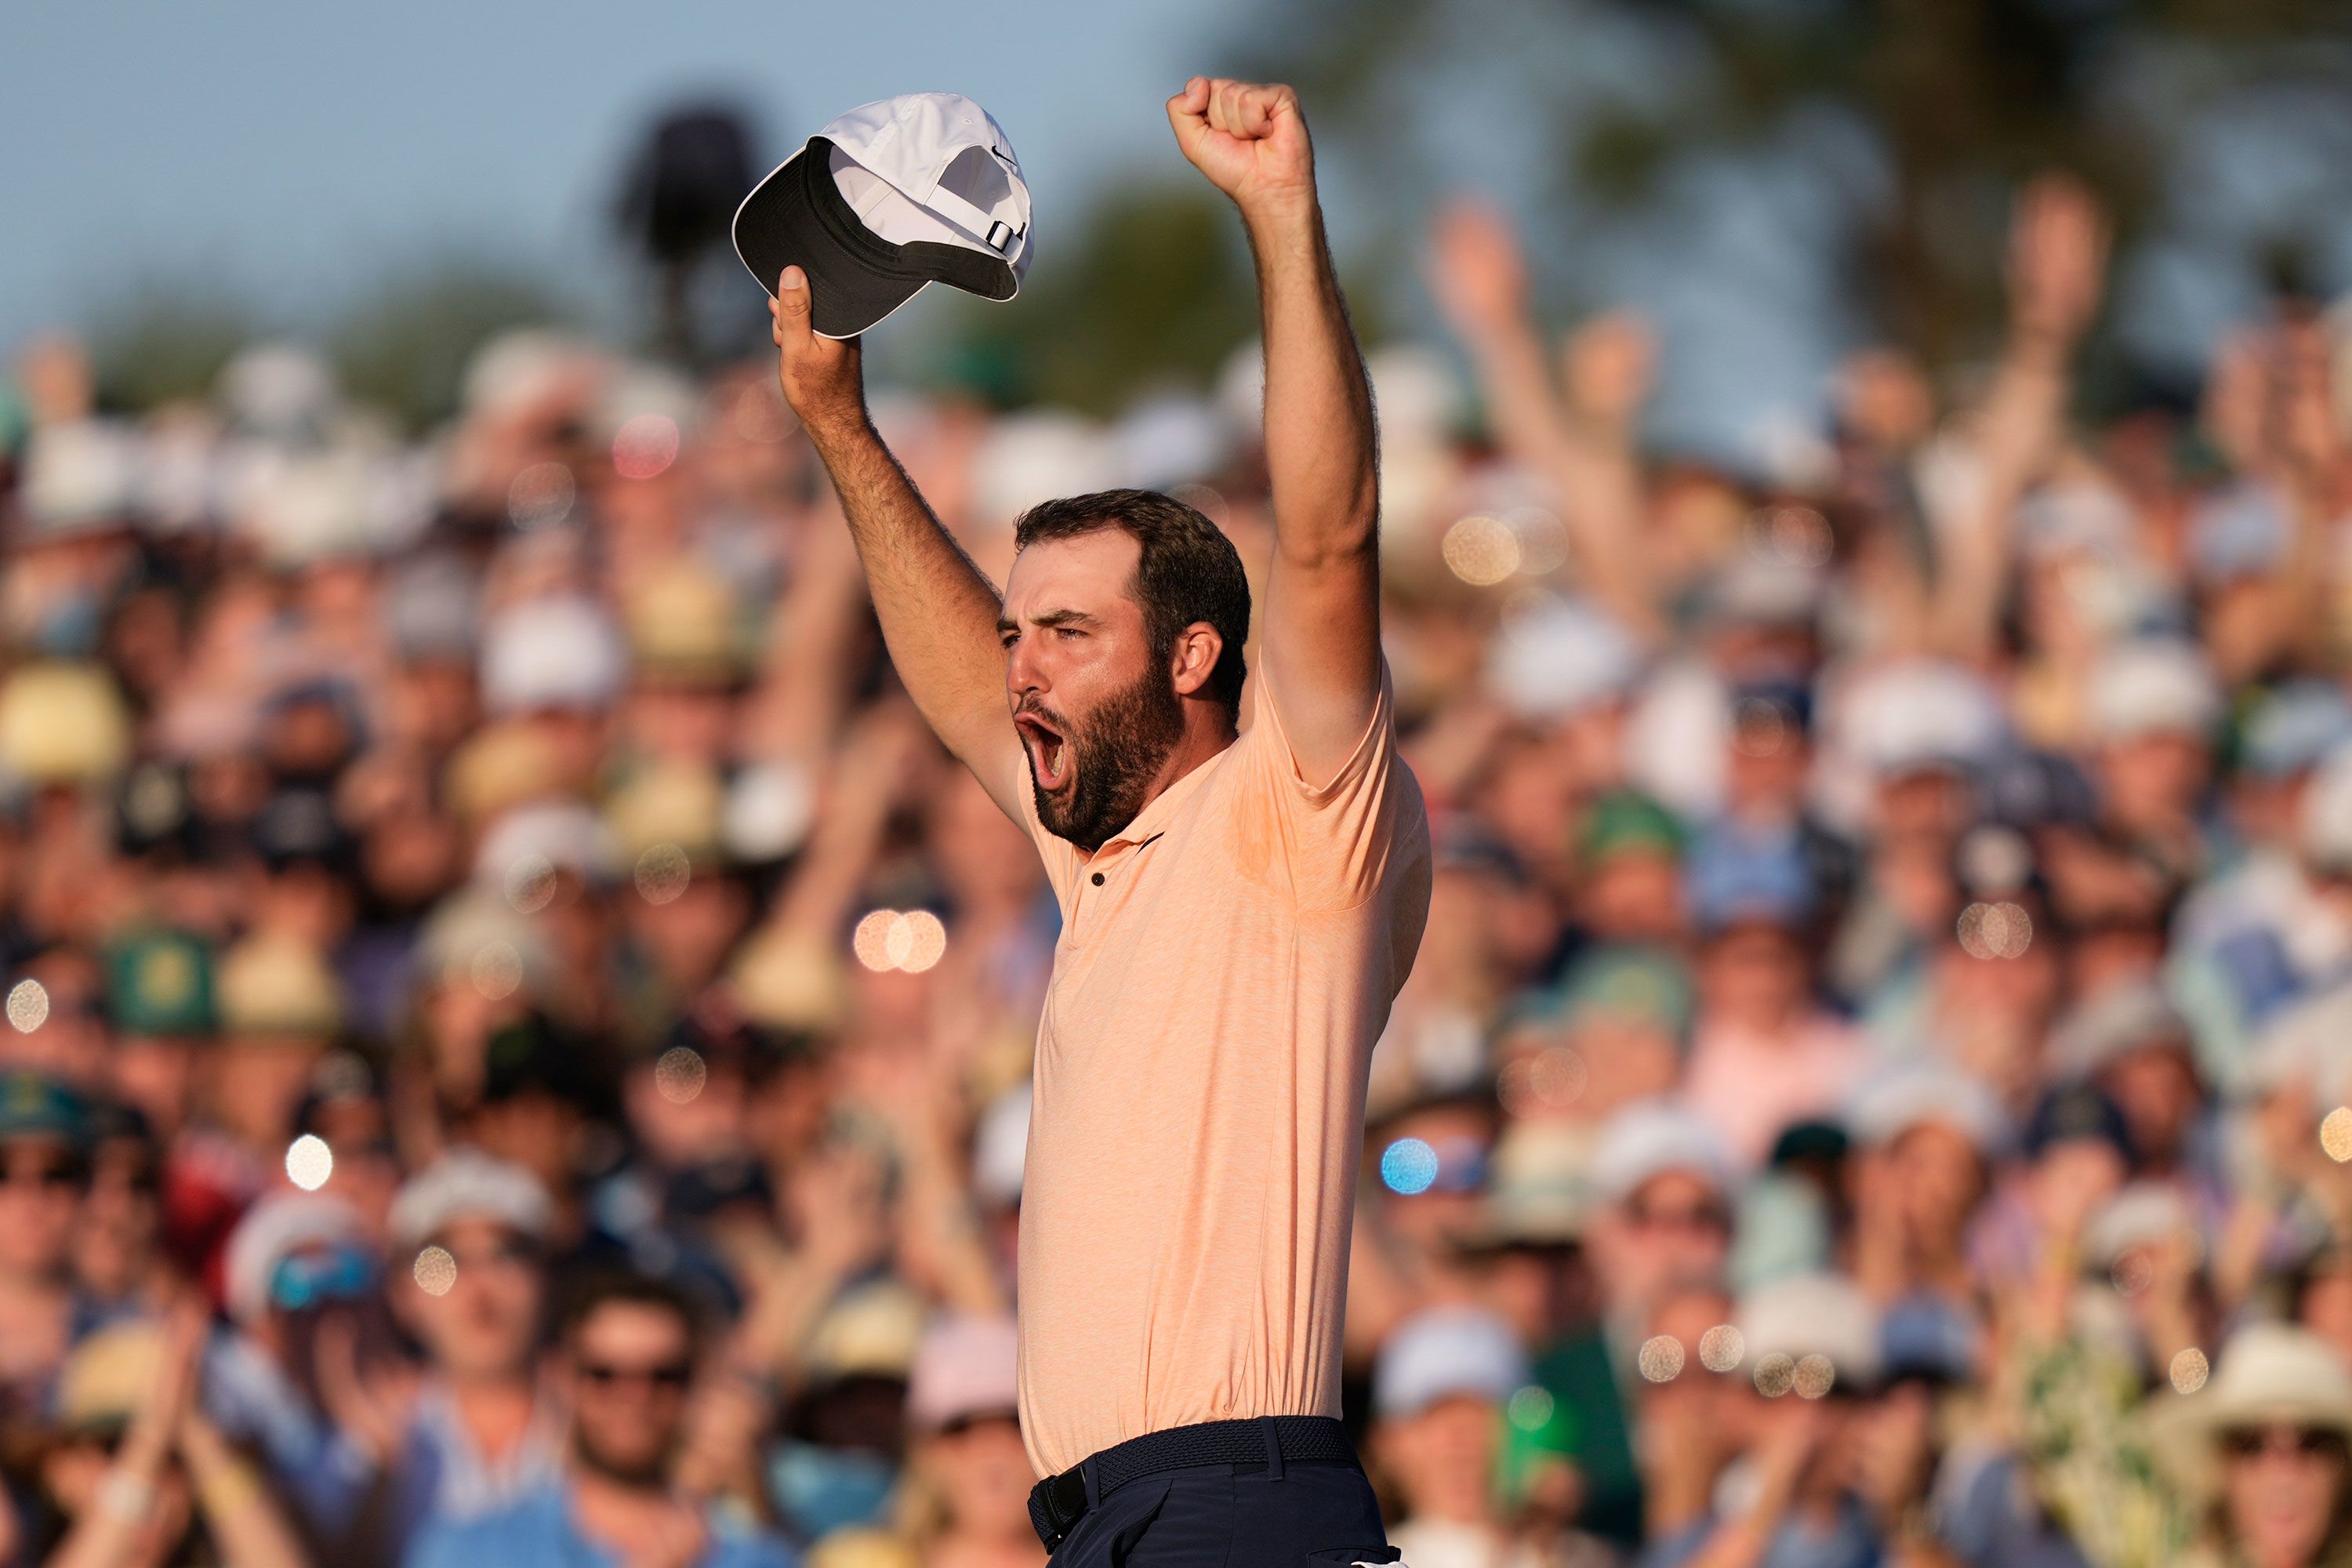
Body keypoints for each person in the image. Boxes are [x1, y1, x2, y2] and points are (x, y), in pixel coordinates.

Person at [768, 76, 1432, 1565]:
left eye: (1069, 633)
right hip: (1112, 1521)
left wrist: (1279, 219)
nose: (1022, 669)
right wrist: (842, 429)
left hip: (1239, 1502)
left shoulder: (1295, 815)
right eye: (1020, 633)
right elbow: (952, 687)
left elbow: (1328, 539)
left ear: (1194, 657)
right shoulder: (1103, 861)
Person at [405, 1270, 795, 1568]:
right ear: (561, 1380)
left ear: (697, 1385)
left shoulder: (755, 1556)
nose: (635, 1396)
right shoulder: (472, 1551)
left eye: (664, 1374)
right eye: (604, 1373)